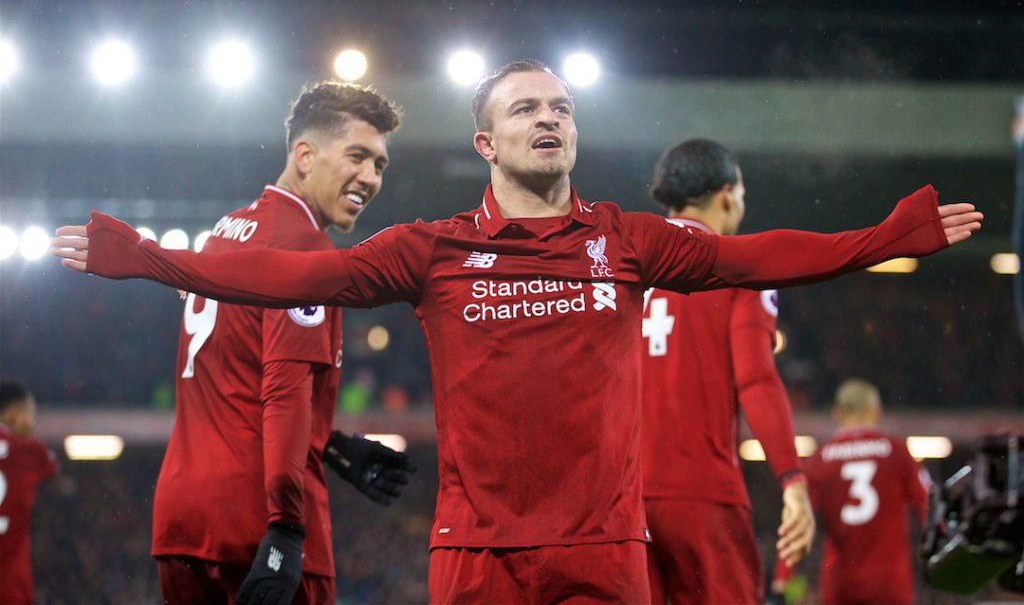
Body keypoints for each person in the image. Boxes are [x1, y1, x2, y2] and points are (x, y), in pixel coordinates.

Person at [51, 60, 982, 603]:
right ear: (487, 146)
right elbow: (287, 274)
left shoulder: (625, 240)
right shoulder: (433, 250)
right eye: (527, 108)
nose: (551, 117)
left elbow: (760, 257)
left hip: (607, 554)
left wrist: (883, 239)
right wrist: (144, 256)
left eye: (563, 108)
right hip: (475, 556)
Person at [122, 81, 414, 605]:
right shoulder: (303, 249)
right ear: (305, 155)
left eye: (380, 165)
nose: (369, 178)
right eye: (357, 156)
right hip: (256, 527)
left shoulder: (226, 230)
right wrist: (284, 529)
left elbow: (239, 380)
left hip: (184, 517)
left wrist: (328, 444)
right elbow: (282, 393)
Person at [641, 138, 814, 604]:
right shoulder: (738, 265)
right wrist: (791, 478)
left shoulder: (626, 268)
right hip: (701, 495)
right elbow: (755, 379)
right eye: (742, 193)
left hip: (622, 508)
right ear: (724, 194)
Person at [802, 378, 930, 605]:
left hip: (840, 585)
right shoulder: (896, 451)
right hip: (890, 584)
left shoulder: (820, 459)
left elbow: (799, 521)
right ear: (877, 411)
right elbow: (927, 506)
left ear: (837, 413)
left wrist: (781, 578)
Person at [0, 379, 57, 605]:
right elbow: (51, 467)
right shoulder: (31, 451)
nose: (32, 424)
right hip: (10, 586)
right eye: (31, 414)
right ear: (14, 414)